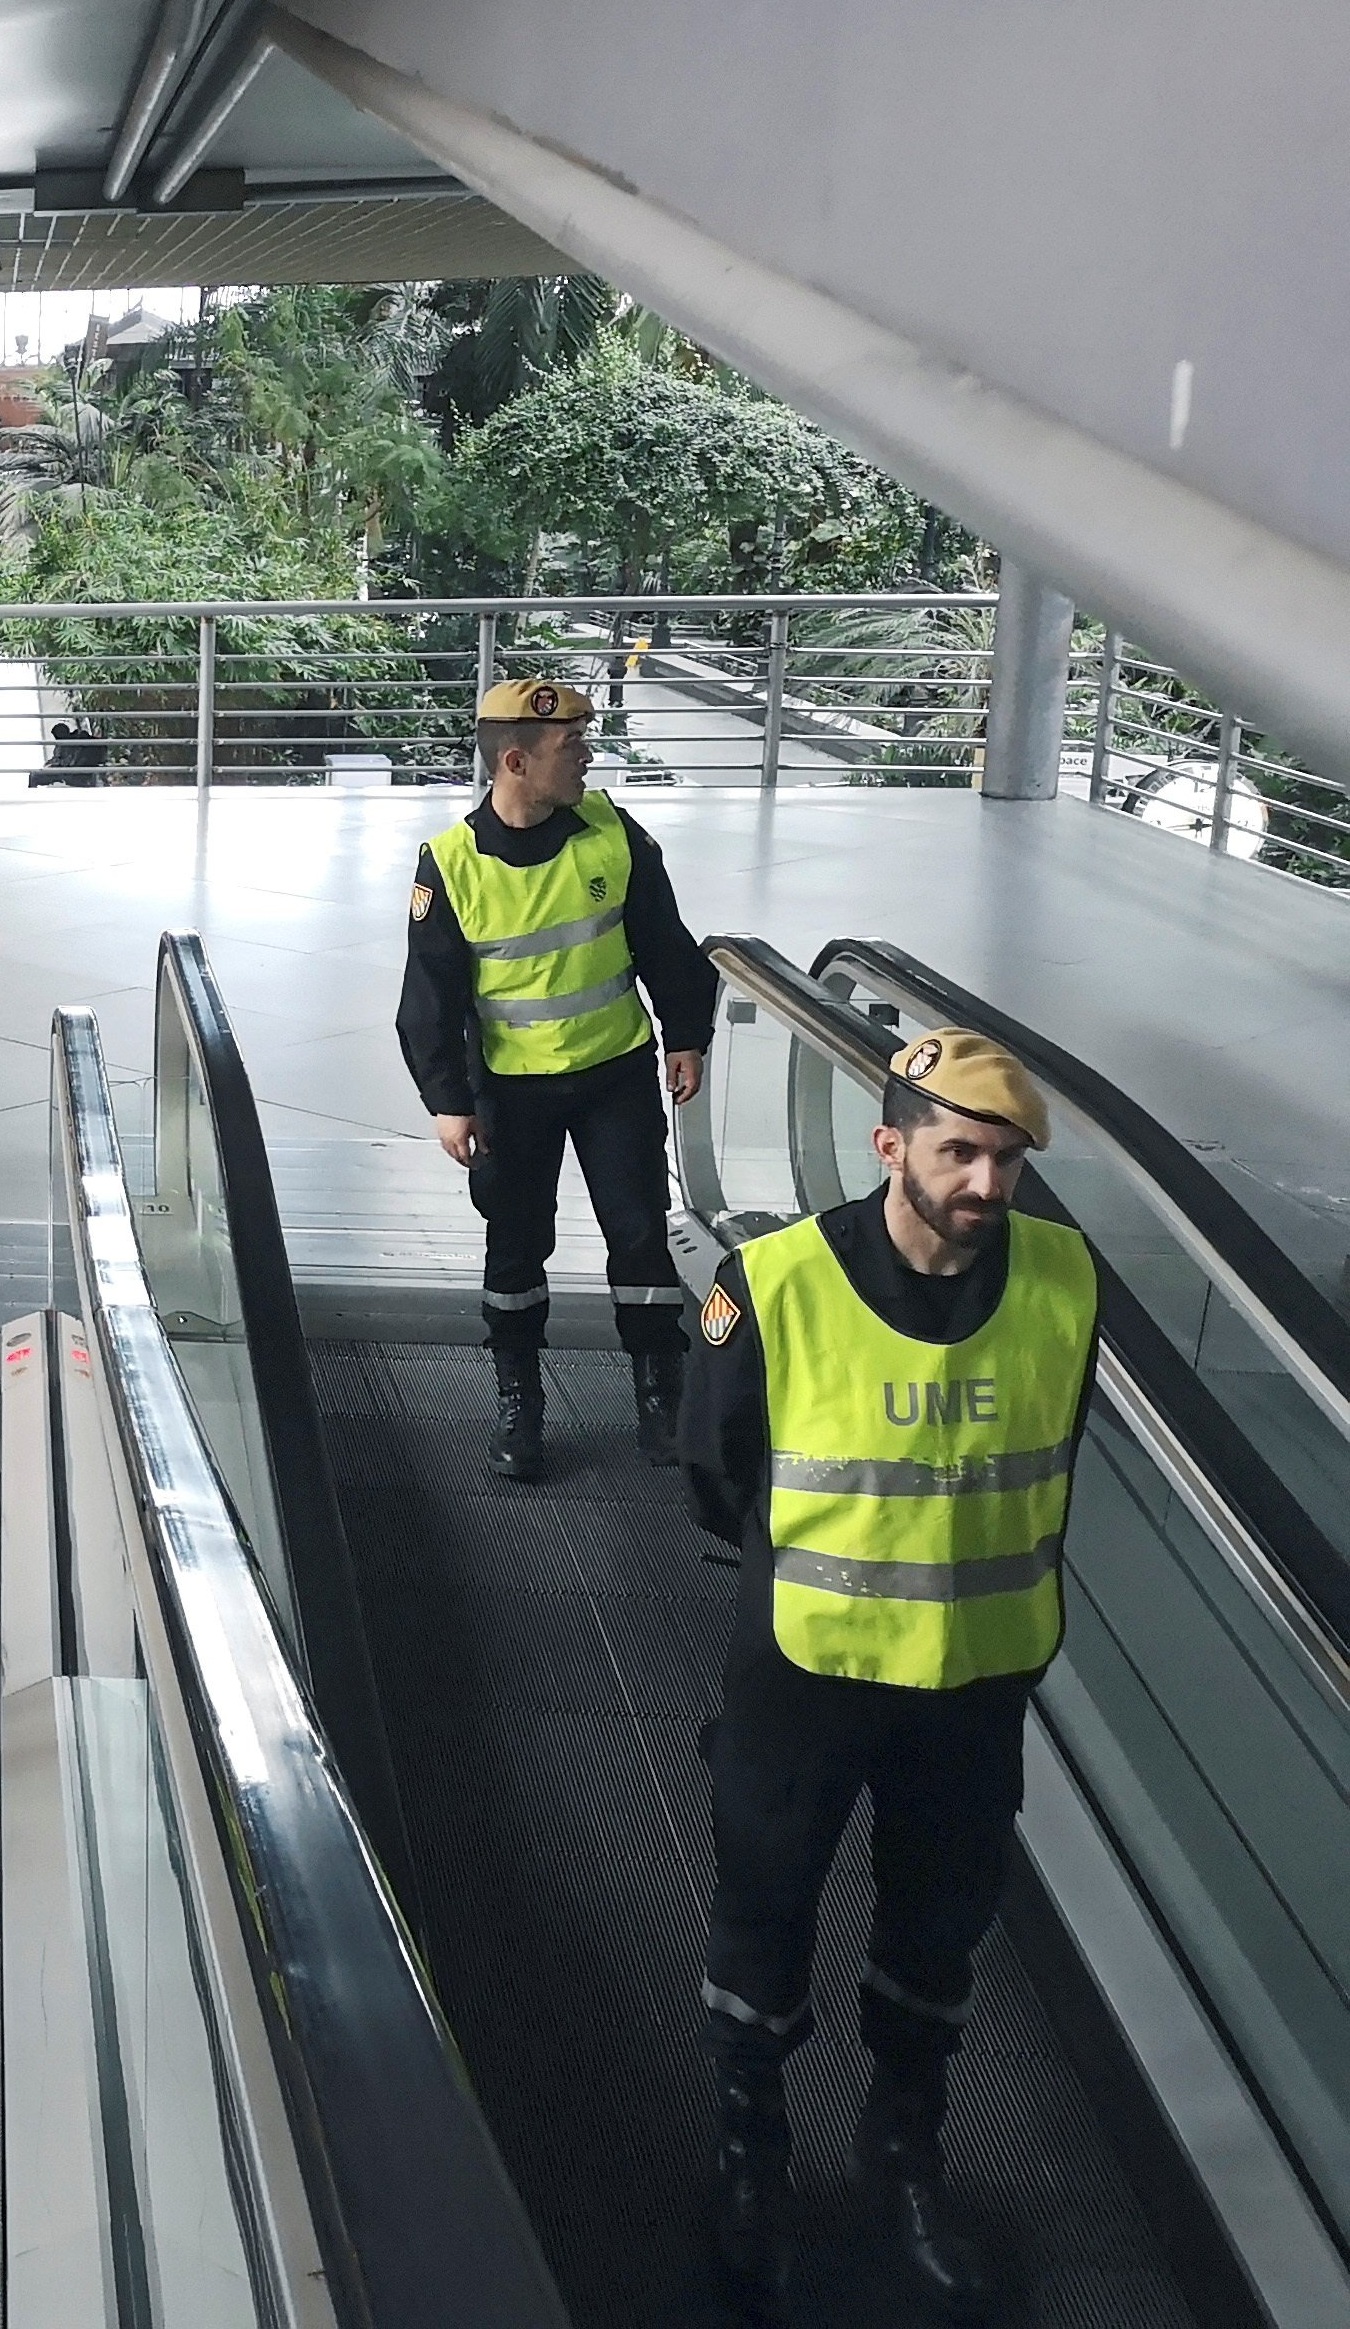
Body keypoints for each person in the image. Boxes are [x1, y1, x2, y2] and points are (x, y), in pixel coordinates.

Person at [685, 1031, 1095, 2315]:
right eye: (957, 1150)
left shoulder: (1066, 1280)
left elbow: (1055, 1446)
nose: (984, 1182)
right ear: (889, 1146)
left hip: (974, 1686)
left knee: (938, 1932)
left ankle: (901, 2149)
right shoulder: (776, 1285)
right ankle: (752, 2151)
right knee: (764, 1916)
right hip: (808, 1680)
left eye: (1006, 1160)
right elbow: (718, 1477)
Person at [398, 677, 714, 1479]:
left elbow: (666, 944)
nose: (586, 755)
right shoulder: (451, 864)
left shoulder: (612, 832)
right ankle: (520, 1400)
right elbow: (428, 997)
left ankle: (658, 1395)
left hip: (615, 1076)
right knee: (515, 1246)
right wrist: (448, 1103)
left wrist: (687, 1035)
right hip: (510, 1094)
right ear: (516, 761)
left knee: (640, 1235)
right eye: (571, 745)